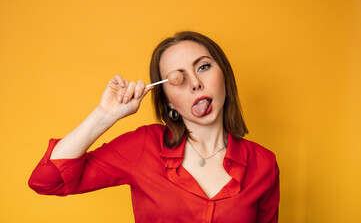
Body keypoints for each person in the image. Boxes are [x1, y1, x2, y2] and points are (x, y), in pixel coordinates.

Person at [28, 31, 280, 223]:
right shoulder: (143, 146)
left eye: (203, 66)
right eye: (177, 78)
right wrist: (104, 115)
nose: (195, 83)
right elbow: (47, 181)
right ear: (168, 100)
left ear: (223, 74)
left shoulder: (264, 164)